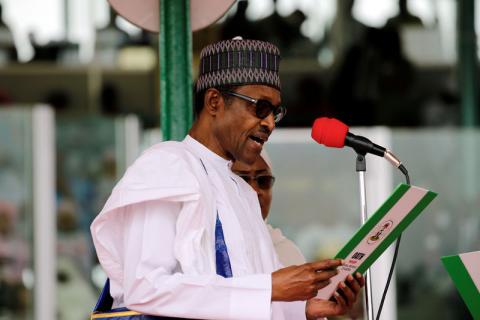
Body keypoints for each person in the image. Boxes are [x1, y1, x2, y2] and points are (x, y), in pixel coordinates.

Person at [91, 37, 364, 319]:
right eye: (260, 108)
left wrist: (304, 308)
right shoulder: (168, 165)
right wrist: (269, 287)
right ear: (214, 102)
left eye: (275, 112)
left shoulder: (242, 192)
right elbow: (147, 288)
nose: (269, 123)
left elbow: (248, 295)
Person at [231, 150, 306, 267]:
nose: (255, 191)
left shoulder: (287, 253)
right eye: (242, 181)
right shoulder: (204, 246)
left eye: (263, 180)